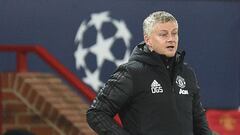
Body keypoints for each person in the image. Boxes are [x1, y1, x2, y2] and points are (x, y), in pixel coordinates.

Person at [87, 11, 212, 135]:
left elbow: (199, 122)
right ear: (148, 40)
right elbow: (97, 113)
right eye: (163, 35)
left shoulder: (187, 73)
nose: (171, 39)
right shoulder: (131, 73)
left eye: (174, 33)